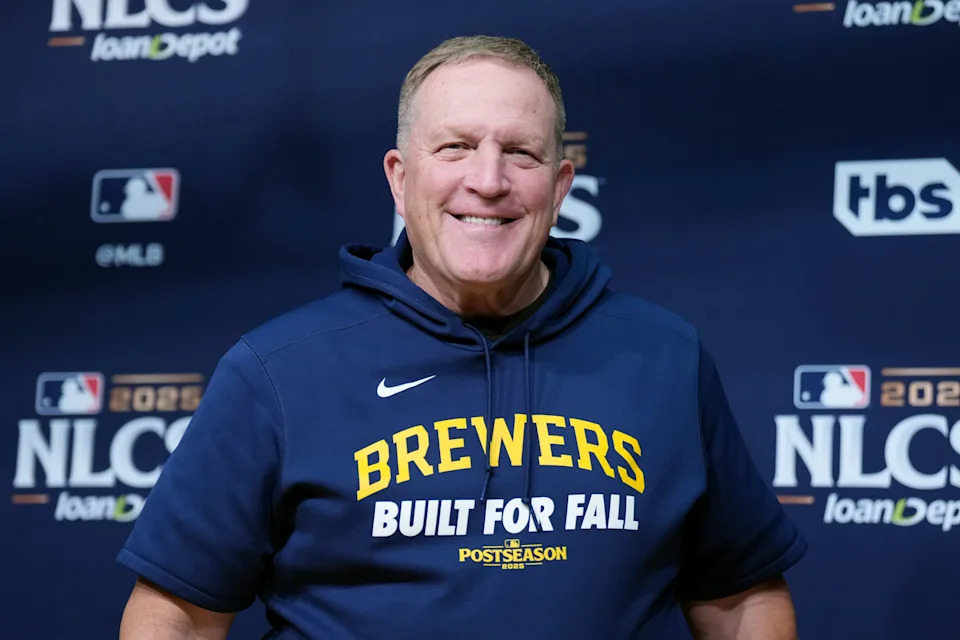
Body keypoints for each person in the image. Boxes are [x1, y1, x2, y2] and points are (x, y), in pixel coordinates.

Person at [117, 35, 806, 639]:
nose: (488, 180)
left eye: (521, 153)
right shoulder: (276, 371)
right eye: (455, 148)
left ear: (561, 184)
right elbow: (173, 614)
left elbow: (744, 598)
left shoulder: (665, 357)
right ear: (400, 176)